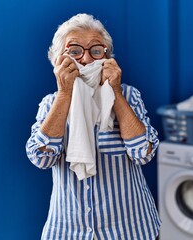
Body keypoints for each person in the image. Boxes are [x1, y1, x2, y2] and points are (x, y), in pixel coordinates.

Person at [26, 13, 161, 240]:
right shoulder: (51, 103)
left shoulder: (128, 95)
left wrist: (115, 92)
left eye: (96, 50)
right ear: (58, 60)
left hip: (131, 231)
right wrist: (65, 93)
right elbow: (41, 159)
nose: (87, 60)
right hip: (68, 232)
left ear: (107, 57)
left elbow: (143, 153)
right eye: (75, 51)